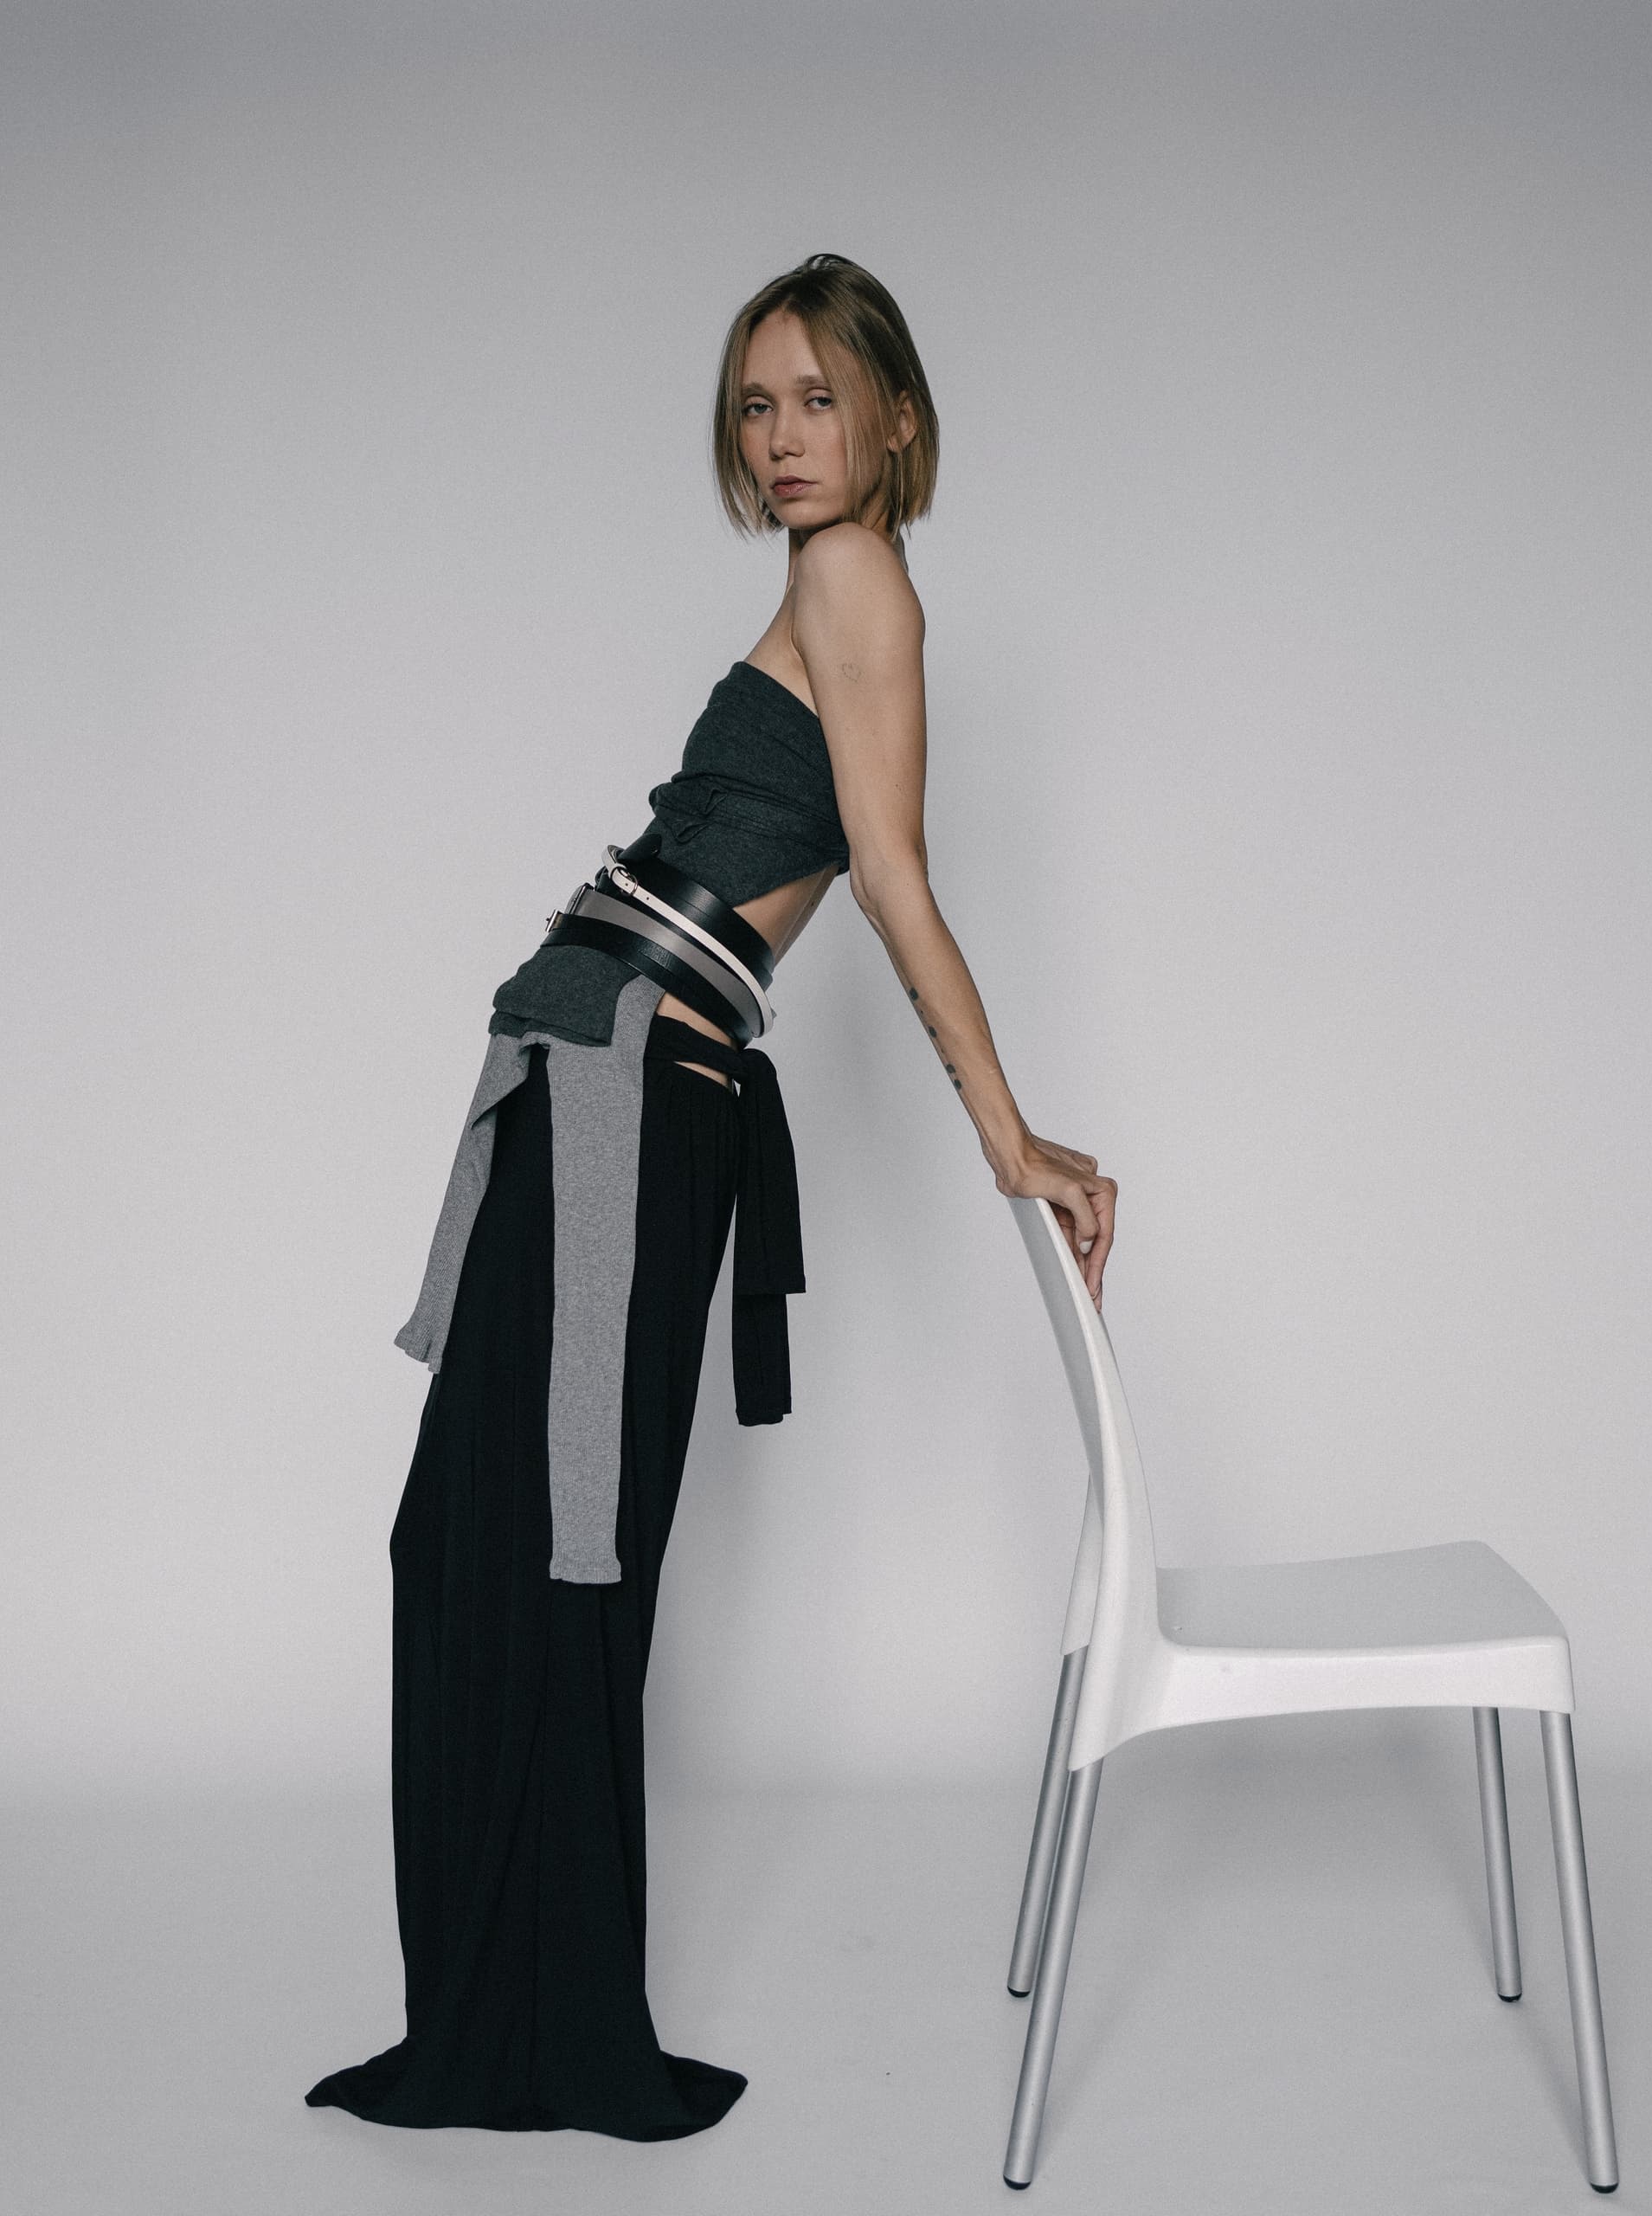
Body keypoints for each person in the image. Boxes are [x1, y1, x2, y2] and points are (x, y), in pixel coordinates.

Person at [304, 251, 1117, 2140]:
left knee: (542, 1549)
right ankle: (505, 2009)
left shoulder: (859, 583)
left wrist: (1005, 1130)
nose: (783, 439)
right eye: (758, 406)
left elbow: (894, 879)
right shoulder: (820, 589)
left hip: (626, 1103)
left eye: (818, 398)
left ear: (897, 416)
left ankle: (542, 2025)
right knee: (476, 1541)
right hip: (590, 1076)